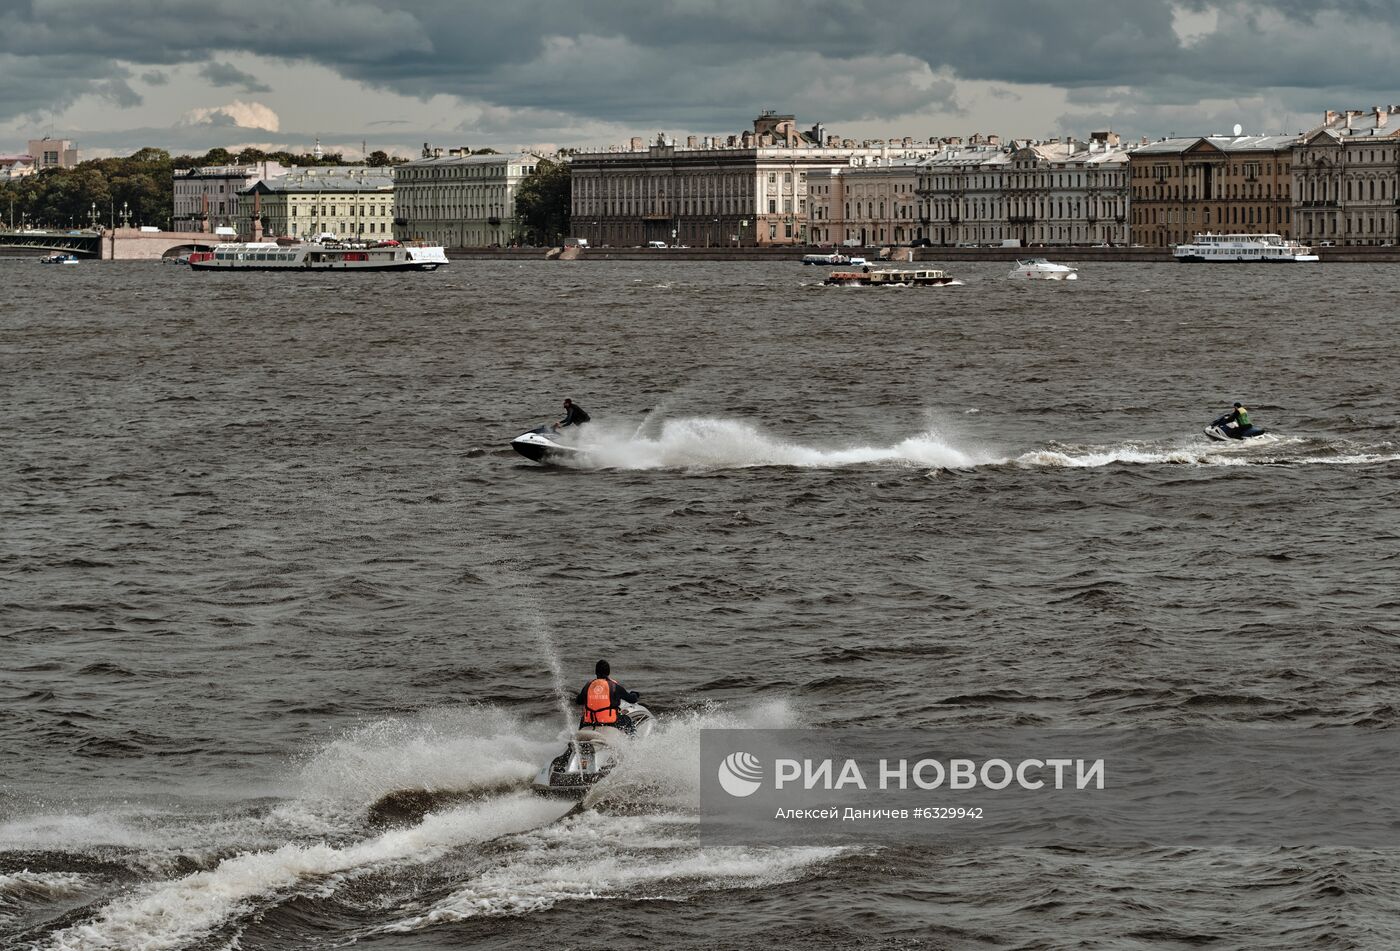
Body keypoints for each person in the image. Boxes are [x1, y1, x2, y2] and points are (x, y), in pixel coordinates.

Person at [576, 659, 639, 733]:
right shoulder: (614, 686)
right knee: (627, 720)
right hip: (610, 722)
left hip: (589, 722)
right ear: (608, 672)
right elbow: (632, 699)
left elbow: (578, 701)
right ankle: (633, 743)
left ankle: (579, 735)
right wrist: (635, 694)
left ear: (596, 672)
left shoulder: (588, 686)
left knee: (583, 718)